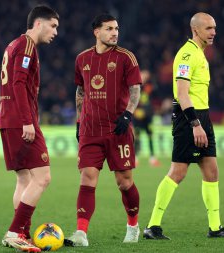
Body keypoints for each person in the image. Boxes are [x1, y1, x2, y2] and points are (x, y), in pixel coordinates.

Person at [143, 12, 224, 240]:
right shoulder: (187, 54)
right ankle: (153, 226)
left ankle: (215, 227)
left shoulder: (200, 54)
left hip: (202, 116)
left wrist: (202, 122)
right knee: (178, 172)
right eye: (208, 28)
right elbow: (181, 94)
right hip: (189, 118)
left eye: (214, 28)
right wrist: (196, 124)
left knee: (211, 170)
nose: (213, 32)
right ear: (196, 30)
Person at [66, 13, 142, 246]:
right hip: (90, 129)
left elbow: (135, 89)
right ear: (96, 32)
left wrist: (128, 114)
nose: (115, 33)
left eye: (116, 28)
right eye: (109, 29)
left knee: (124, 182)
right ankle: (81, 233)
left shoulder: (126, 57)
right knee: (87, 177)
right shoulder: (82, 59)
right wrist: (79, 121)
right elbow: (80, 91)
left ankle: (133, 225)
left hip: (117, 129)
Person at [0, 5, 59, 252]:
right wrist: (27, 120)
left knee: (24, 178)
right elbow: (19, 82)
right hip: (20, 119)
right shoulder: (26, 46)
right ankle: (14, 231)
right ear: (38, 24)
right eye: (53, 25)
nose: (56, 31)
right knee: (43, 177)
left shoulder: (13, 44)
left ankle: (21, 232)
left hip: (7, 118)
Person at [134, 69, 161, 167]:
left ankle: (152, 158)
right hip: (137, 116)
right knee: (136, 137)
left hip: (148, 116)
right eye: (142, 75)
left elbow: (155, 100)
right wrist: (135, 111)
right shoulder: (134, 86)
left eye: (145, 76)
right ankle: (135, 158)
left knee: (150, 135)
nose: (143, 77)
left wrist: (149, 111)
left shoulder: (150, 87)